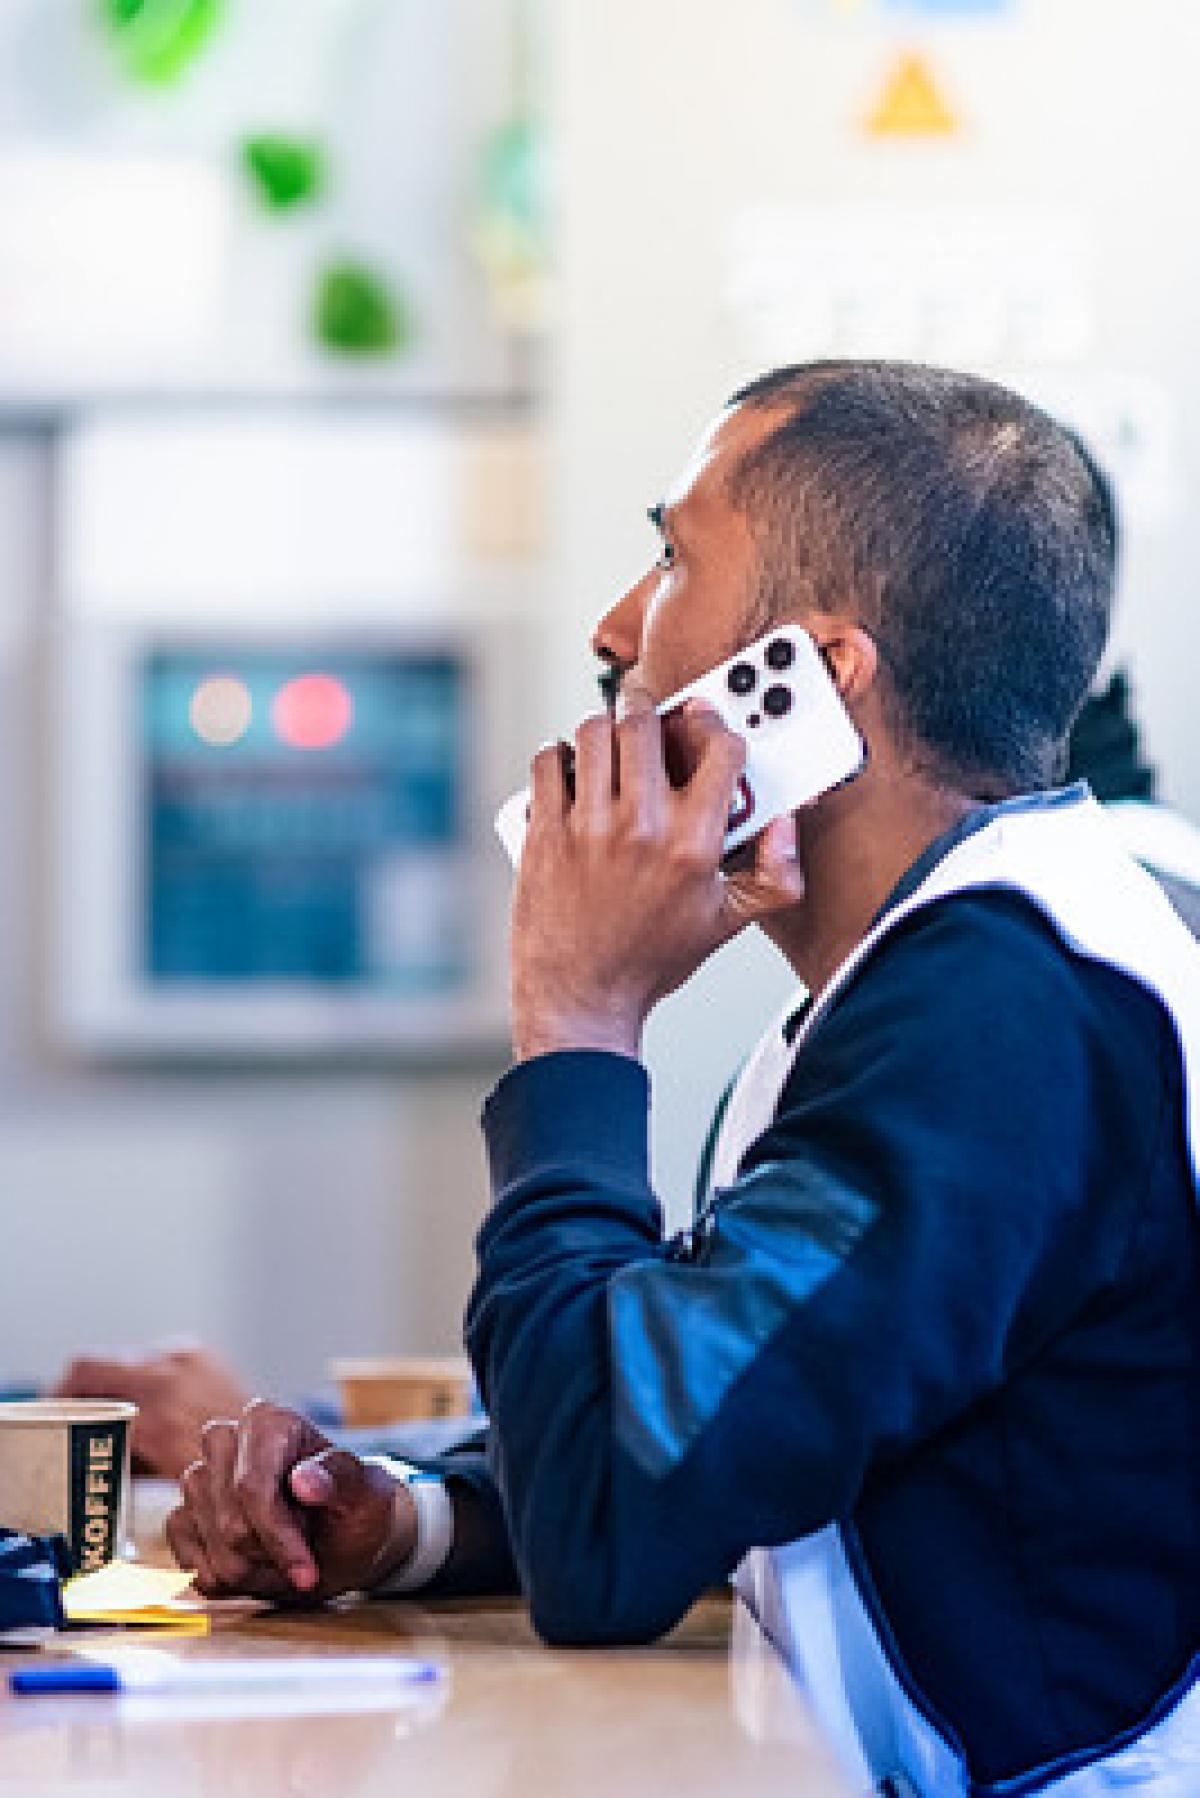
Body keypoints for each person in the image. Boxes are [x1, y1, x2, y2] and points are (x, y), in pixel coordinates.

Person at [108, 365, 1200, 1793]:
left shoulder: (1002, 1005)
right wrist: (405, 1520)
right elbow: (715, 1431)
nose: (616, 626)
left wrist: (580, 1017)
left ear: (817, 676)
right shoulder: (950, 962)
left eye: (673, 557)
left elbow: (610, 1520)